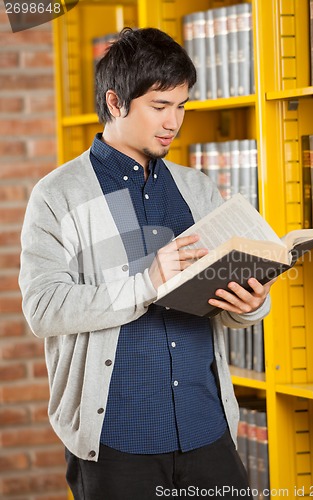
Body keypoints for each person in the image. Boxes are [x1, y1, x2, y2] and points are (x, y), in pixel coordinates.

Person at [19, 27, 273, 500]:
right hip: (117, 439)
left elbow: (217, 300)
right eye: (160, 107)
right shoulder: (60, 195)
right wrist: (146, 281)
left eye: (181, 106)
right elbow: (44, 308)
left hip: (206, 429)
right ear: (116, 103)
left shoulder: (196, 188)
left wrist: (249, 303)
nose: (173, 121)